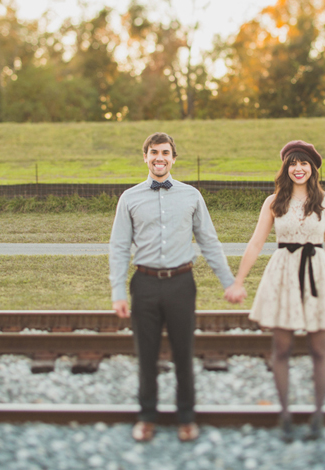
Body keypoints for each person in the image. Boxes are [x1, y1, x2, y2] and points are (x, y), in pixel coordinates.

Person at [109, 132, 237, 442]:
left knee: (183, 354)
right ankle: (147, 417)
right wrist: (117, 291)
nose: (159, 158)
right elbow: (119, 246)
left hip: (181, 284)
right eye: (154, 152)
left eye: (165, 152)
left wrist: (228, 281)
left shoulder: (191, 195)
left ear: (173, 158)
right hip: (145, 285)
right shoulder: (129, 198)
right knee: (147, 356)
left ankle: (186, 418)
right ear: (146, 157)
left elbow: (209, 241)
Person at [225, 140, 325, 442]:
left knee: (319, 349)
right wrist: (238, 281)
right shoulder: (274, 201)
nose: (298, 168)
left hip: (317, 274)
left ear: (312, 168)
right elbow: (255, 243)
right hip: (282, 274)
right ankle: (286, 414)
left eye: (303, 163)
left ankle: (318, 414)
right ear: (285, 168)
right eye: (292, 163)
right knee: (281, 349)